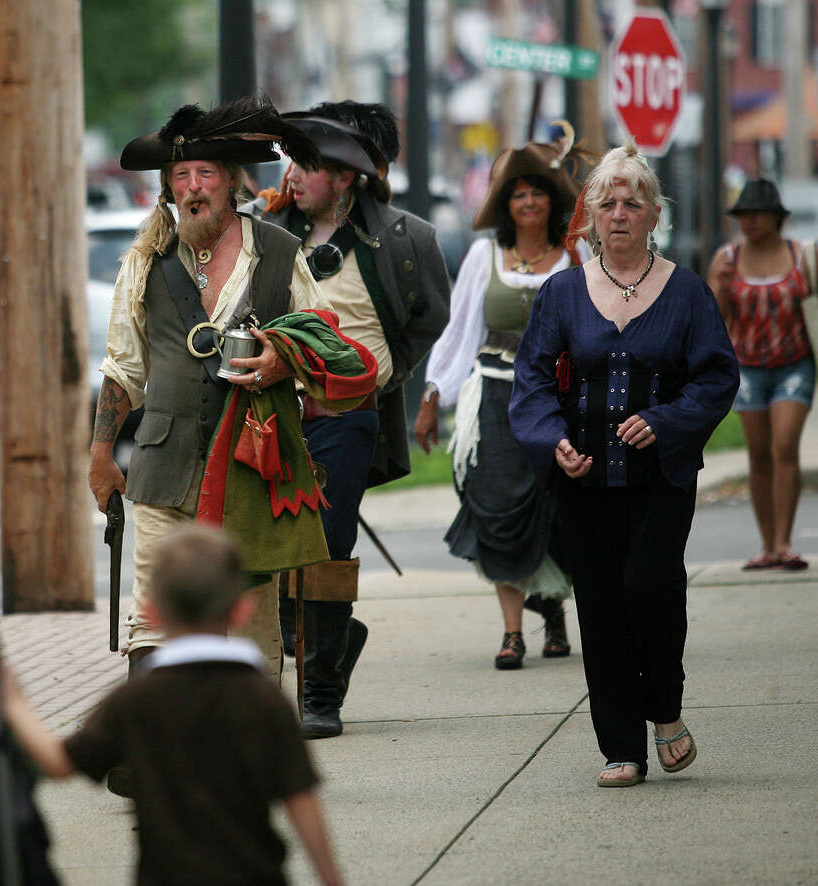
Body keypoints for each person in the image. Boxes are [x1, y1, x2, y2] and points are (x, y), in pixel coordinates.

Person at [510, 144, 739, 787]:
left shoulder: (687, 291)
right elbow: (531, 382)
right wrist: (552, 440)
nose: (618, 214)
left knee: (651, 586)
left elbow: (717, 379)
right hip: (585, 480)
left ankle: (665, 711)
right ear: (588, 215)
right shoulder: (561, 293)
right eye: (606, 203)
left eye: (632, 203)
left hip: (661, 478)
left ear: (653, 215)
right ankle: (621, 748)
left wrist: (666, 421)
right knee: (601, 607)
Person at [88, 95, 330, 681]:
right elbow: (123, 366)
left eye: (206, 174)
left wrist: (282, 362)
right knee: (153, 616)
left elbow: (323, 340)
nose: (194, 187)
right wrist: (100, 453)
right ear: (169, 188)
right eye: (181, 176)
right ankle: (157, 752)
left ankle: (251, 754)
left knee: (252, 618)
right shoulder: (145, 261)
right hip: (162, 466)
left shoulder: (278, 252)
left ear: (231, 183)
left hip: (252, 467)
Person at [1, 525, 344, 886]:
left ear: (154, 611)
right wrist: (330, 876)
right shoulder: (263, 697)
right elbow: (300, 798)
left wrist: (14, 702)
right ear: (242, 610)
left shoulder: (135, 699)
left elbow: (58, 764)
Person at [256, 101, 450, 737]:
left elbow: (429, 319)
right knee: (272, 551)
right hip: (274, 416)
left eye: (308, 167)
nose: (294, 177)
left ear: (343, 177)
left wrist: (383, 371)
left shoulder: (403, 239)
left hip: (346, 415)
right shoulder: (267, 231)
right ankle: (333, 639)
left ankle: (320, 695)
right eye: (292, 165)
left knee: (324, 549)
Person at [414, 128, 589, 670]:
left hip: (555, 400)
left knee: (557, 509)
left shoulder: (574, 257)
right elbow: (460, 329)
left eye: (537, 191)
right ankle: (512, 632)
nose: (529, 201)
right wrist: (432, 393)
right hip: (492, 396)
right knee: (498, 508)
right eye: (518, 193)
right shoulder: (483, 256)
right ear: (505, 205)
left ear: (551, 200)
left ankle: (554, 615)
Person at [707, 178, 814, 571]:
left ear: (776, 218)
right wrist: (717, 285)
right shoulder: (728, 258)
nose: (748, 221)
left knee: (784, 447)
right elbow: (714, 320)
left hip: (794, 362)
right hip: (747, 365)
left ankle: (785, 543)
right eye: (742, 215)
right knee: (758, 455)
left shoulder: (801, 255)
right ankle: (766, 545)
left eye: (756, 214)